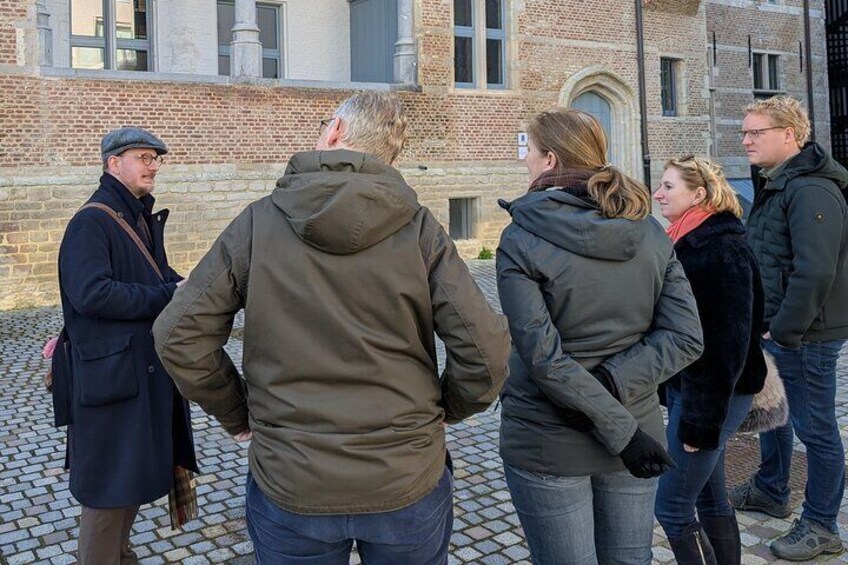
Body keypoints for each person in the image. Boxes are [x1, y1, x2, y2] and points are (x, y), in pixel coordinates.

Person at [152, 91, 510, 565]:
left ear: (336, 131)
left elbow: (178, 334)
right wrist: (449, 408)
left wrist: (238, 412)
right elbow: (487, 351)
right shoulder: (420, 230)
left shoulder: (259, 222)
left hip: (293, 481)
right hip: (403, 477)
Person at [496, 109, 704, 565]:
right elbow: (684, 336)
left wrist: (608, 399)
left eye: (527, 151)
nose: (524, 160)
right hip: (633, 428)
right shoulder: (649, 229)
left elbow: (543, 359)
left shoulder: (520, 235)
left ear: (549, 159)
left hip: (556, 438)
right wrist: (617, 399)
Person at [53, 127, 197, 564]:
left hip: (135, 381)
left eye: (156, 158)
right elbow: (91, 294)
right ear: (113, 163)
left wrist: (194, 286)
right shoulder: (91, 222)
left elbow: (157, 276)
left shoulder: (135, 215)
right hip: (110, 386)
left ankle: (120, 557)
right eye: (143, 156)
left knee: (127, 487)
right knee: (107, 496)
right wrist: (171, 295)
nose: (154, 165)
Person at [728, 95, 848, 561]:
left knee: (814, 427)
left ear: (789, 136)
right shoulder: (777, 182)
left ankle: (821, 524)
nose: (745, 140)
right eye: (744, 132)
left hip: (806, 333)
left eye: (755, 132)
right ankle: (772, 488)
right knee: (773, 412)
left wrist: (784, 330)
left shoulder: (811, 189)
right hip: (774, 327)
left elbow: (815, 271)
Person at [652, 155, 767, 565]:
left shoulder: (719, 248)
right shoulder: (688, 238)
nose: (657, 194)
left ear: (699, 194)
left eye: (668, 187)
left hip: (712, 394)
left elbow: (726, 344)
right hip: (694, 388)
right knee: (710, 497)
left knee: (670, 506)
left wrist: (701, 423)